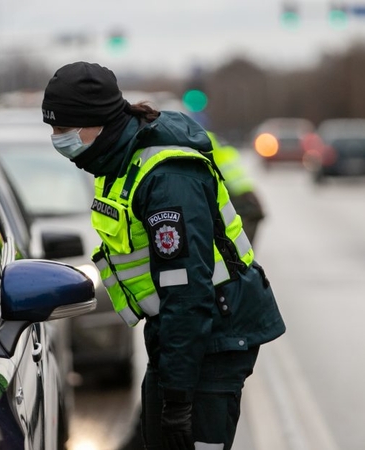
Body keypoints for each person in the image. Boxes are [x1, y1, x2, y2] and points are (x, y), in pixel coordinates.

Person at [41, 61, 285, 450]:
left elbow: (187, 294)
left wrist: (178, 398)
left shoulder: (168, 178)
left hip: (213, 335)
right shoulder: (118, 159)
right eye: (53, 129)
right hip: (180, 333)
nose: (58, 139)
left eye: (65, 129)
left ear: (97, 121)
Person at [207, 131, 265, 245]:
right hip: (247, 195)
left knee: (239, 238)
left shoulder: (205, 150)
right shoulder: (221, 147)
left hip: (239, 195)